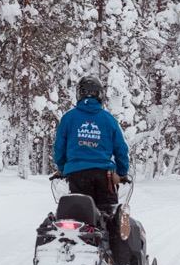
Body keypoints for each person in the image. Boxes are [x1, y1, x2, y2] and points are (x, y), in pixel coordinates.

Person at [53, 75, 130, 216]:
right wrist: (123, 172)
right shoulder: (108, 119)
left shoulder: (68, 118)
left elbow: (59, 147)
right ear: (100, 94)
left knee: (77, 215)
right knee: (109, 217)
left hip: (77, 175)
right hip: (104, 176)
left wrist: (62, 168)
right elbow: (120, 149)